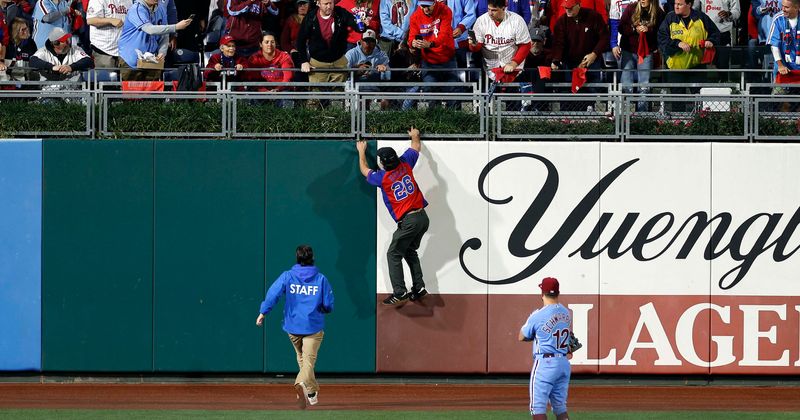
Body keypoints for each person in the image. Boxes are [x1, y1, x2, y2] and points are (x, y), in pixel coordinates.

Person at [356, 127, 430, 306]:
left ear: (382, 163)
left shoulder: (383, 178)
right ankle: (418, 287)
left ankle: (400, 291)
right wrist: (414, 135)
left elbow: (364, 170)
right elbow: (416, 146)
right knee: (409, 251)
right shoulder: (405, 163)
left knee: (393, 254)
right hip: (422, 218)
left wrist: (361, 152)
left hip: (409, 221)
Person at [255, 245, 334, 410]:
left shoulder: (287, 276)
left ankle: (311, 392)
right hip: (313, 327)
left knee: (302, 359)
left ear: (297, 258)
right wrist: (324, 309)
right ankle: (300, 383)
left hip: (293, 327)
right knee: (308, 361)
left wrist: (263, 312)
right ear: (312, 258)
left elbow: (273, 294)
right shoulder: (320, 279)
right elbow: (328, 304)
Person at [518, 277, 573, 420]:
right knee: (560, 407)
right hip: (563, 363)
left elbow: (521, 336)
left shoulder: (538, 315)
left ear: (542, 293)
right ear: (558, 292)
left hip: (545, 364)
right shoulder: (566, 312)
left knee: (538, 408)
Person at [657, 0, 719, 110]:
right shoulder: (669, 18)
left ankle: (699, 124)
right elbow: (662, 39)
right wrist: (677, 43)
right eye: (675, 4)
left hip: (697, 67)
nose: (676, 6)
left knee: (700, 103)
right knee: (677, 103)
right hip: (676, 68)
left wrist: (710, 41)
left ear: (689, 5)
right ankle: (679, 125)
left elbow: (715, 33)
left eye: (680, 4)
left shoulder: (701, 17)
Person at [117, 0, 193, 81]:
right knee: (132, 93)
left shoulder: (160, 9)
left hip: (152, 60)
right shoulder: (136, 9)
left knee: (152, 92)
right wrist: (175, 27)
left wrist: (162, 52)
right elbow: (149, 29)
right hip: (131, 60)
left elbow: (165, 34)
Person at [295, 0, 363, 87]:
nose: (329, 6)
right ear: (318, 4)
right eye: (325, 4)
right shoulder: (310, 17)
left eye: (331, 3)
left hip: (338, 61)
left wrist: (362, 27)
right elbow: (301, 40)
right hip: (317, 62)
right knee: (317, 96)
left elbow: (355, 25)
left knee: (338, 97)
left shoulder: (341, 13)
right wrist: (304, 61)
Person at [407, 0, 461, 108]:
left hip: (447, 59)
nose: (425, 9)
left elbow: (445, 35)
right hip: (428, 61)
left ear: (434, 3)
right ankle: (433, 121)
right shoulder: (415, 16)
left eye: (428, 6)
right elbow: (411, 37)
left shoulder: (445, 10)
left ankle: (455, 121)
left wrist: (430, 44)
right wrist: (413, 43)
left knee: (453, 92)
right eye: (423, 6)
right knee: (430, 91)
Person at [615, 0, 664, 111]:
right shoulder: (631, 8)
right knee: (626, 82)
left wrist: (649, 30)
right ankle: (625, 113)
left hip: (646, 52)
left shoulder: (659, 12)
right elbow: (621, 27)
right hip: (628, 50)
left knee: (644, 84)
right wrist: (634, 29)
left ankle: (642, 115)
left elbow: (661, 33)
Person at [29, 26, 94, 82]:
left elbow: (88, 60)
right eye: (64, 41)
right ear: (55, 43)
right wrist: (51, 67)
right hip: (49, 90)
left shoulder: (75, 49)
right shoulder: (44, 51)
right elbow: (33, 61)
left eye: (67, 39)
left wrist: (71, 67)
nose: (68, 42)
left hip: (73, 90)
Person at [345, 28, 391, 102]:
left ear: (376, 43)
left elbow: (388, 77)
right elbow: (343, 73)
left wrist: (384, 69)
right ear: (361, 41)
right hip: (354, 88)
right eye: (366, 41)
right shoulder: (351, 54)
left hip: (373, 88)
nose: (368, 44)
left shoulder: (381, 55)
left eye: (371, 41)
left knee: (385, 101)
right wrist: (355, 71)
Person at [86, 0, 132, 70]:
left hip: (124, 50)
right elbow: (91, 20)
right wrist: (110, 20)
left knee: (125, 79)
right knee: (106, 79)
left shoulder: (129, 1)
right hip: (104, 49)